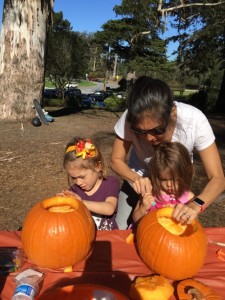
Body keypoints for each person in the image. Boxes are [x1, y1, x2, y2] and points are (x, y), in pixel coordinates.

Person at [110, 76, 225, 229]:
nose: (149, 138)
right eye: (140, 132)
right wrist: (135, 178)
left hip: (175, 185)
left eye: (157, 130)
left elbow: (218, 178)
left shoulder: (195, 121)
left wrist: (195, 204)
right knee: (122, 228)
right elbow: (116, 160)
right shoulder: (129, 117)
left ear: (171, 112)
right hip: (137, 180)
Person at [60, 137, 120, 230]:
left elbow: (109, 209)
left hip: (110, 239)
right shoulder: (74, 191)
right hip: (85, 239)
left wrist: (80, 202)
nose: (78, 182)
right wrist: (61, 203)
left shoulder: (111, 183)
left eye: (82, 177)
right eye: (73, 178)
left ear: (97, 166)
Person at [133, 141, 195, 223]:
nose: (169, 185)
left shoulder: (188, 198)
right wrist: (143, 208)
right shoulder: (150, 192)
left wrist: (180, 213)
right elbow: (135, 219)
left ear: (186, 173)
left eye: (175, 179)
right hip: (147, 232)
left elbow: (193, 224)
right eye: (163, 179)